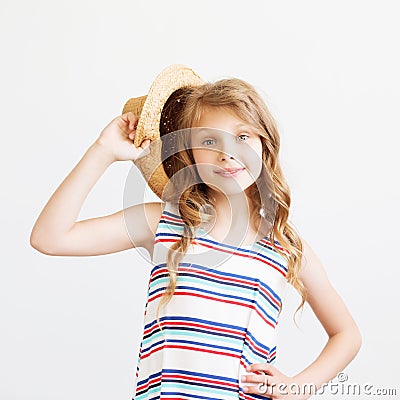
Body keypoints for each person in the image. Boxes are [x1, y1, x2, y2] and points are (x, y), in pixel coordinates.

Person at [30, 65, 361, 400]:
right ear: (188, 154)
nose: (227, 152)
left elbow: (346, 334)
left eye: (243, 136)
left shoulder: (285, 246)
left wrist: (298, 387)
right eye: (208, 140)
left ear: (265, 144)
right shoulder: (162, 223)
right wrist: (102, 150)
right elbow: (50, 238)